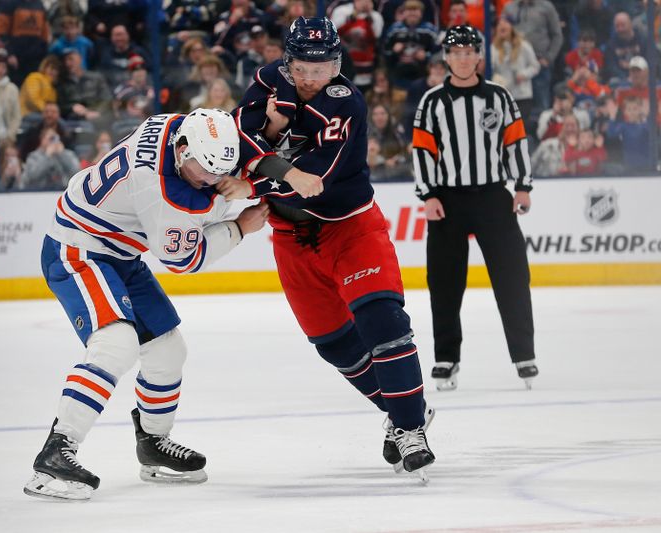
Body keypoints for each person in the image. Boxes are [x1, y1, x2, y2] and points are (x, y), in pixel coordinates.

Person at [217, 16, 435, 478]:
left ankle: (411, 426)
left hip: (350, 229)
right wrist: (271, 149)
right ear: (287, 60)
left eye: (324, 67)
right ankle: (402, 411)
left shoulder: (346, 103)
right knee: (335, 346)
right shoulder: (266, 79)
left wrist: (258, 172)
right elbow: (237, 137)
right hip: (290, 239)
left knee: (382, 321)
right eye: (305, 67)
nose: (315, 77)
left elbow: (310, 183)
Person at [23, 108, 269, 500]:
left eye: (221, 170)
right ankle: (56, 452)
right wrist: (240, 225)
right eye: (205, 171)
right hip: (78, 248)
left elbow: (223, 154)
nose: (214, 180)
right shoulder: (164, 192)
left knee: (169, 349)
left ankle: (153, 443)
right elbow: (185, 260)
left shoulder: (175, 125)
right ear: (183, 150)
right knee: (116, 344)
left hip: (118, 248)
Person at [411, 25, 538, 391]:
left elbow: (516, 142)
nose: (463, 58)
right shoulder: (432, 102)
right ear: (446, 58)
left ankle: (524, 355)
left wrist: (522, 186)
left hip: (493, 197)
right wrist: (428, 195)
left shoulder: (499, 97)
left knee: (512, 276)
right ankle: (446, 358)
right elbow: (422, 151)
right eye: (456, 52)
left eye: (469, 51)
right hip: (447, 200)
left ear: (479, 56)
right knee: (444, 283)